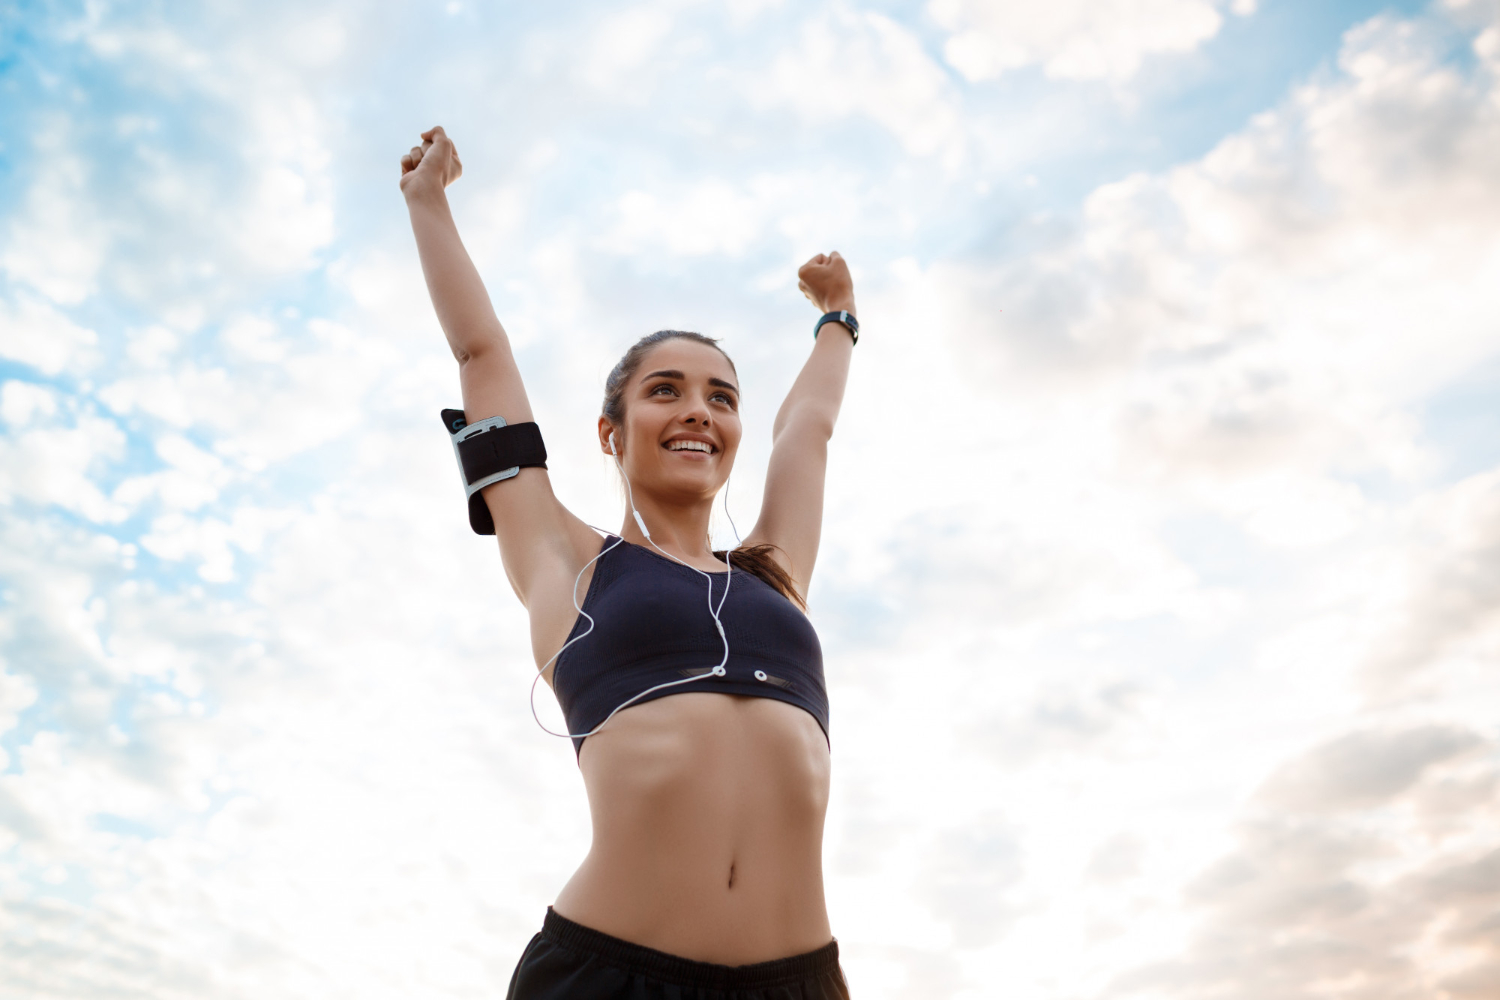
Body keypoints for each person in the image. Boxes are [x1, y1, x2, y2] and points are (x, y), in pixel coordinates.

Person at [401, 126, 857, 999]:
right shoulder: (564, 558)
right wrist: (429, 202)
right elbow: (481, 354)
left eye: (720, 396)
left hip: (799, 981)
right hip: (609, 977)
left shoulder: (772, 571)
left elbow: (808, 430)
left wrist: (837, 318)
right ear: (610, 432)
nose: (699, 411)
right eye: (666, 390)